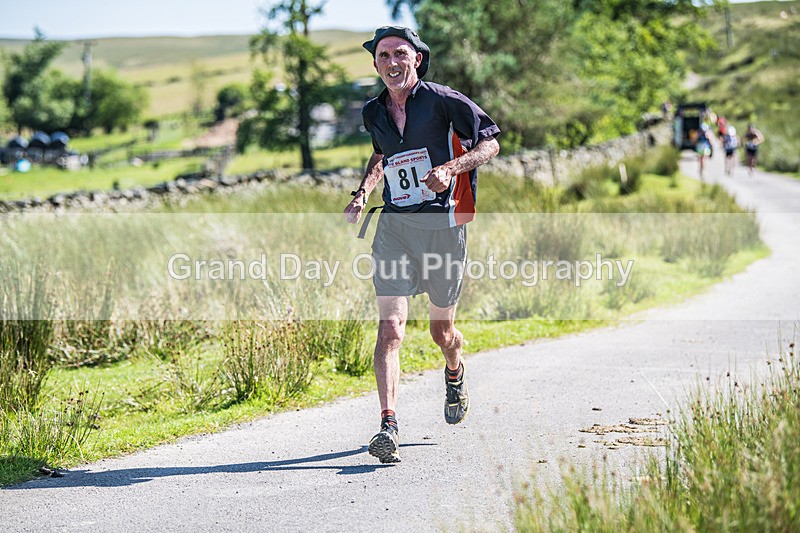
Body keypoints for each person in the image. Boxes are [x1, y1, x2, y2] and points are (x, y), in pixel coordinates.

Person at [343, 26, 500, 463]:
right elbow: (381, 155)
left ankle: (454, 370)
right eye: (383, 55)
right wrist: (363, 192)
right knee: (391, 327)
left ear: (416, 59)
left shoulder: (442, 99)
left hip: (443, 229)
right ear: (375, 64)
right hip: (394, 228)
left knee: (440, 331)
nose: (391, 62)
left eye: (400, 53)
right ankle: (388, 425)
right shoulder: (373, 111)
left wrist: (451, 168)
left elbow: (490, 144)